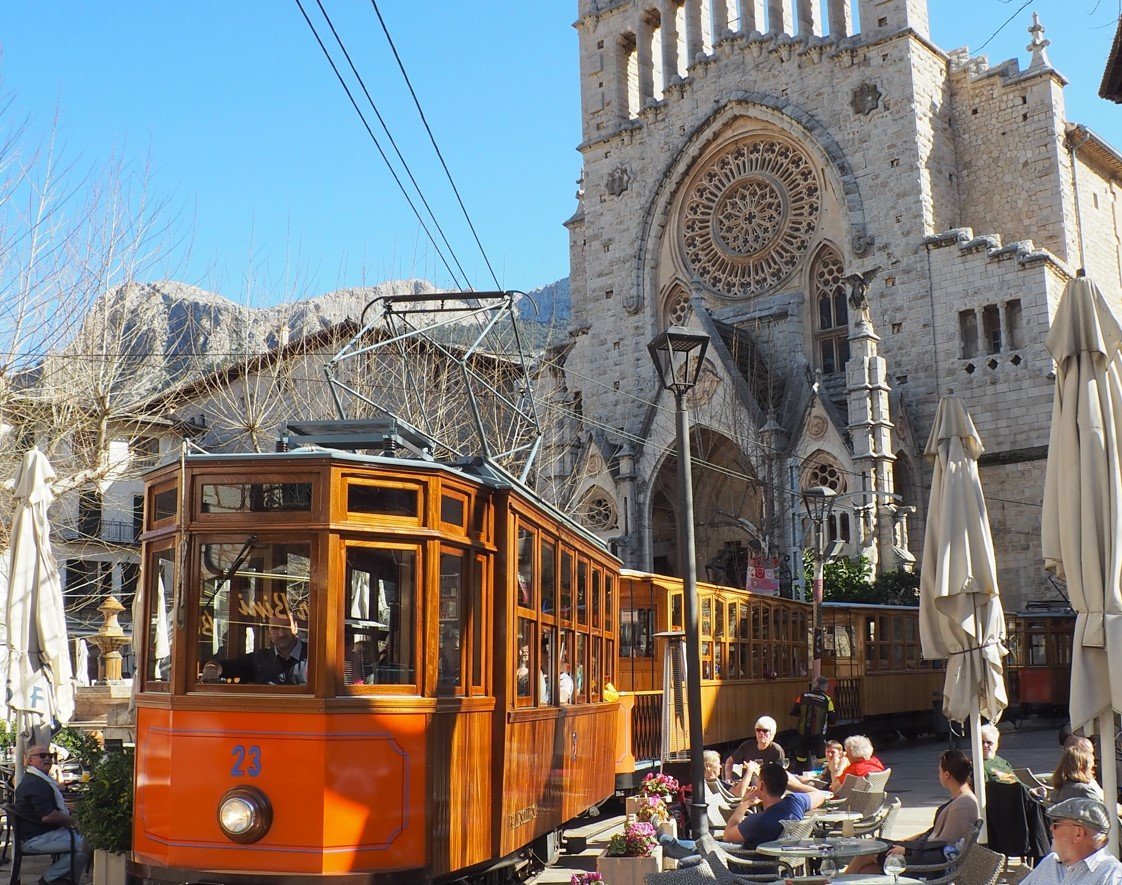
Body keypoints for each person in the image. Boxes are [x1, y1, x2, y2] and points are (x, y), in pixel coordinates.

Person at [846, 749, 979, 874]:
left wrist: (907, 850)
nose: (938, 774)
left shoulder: (963, 804)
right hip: (924, 852)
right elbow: (935, 834)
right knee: (867, 867)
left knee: (871, 850)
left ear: (946, 774)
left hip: (929, 861)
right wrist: (905, 842)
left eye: (939, 770)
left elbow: (944, 843)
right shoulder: (961, 799)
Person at [12, 744, 90, 885]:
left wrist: (66, 810)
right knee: (86, 844)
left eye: (50, 756)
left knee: (83, 841)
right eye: (42, 755)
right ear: (30, 761)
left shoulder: (37, 779)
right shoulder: (36, 783)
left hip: (41, 834)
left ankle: (65, 880)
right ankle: (48, 880)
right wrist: (73, 820)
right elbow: (47, 816)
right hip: (34, 839)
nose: (47, 758)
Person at [722, 762, 831, 849]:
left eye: (758, 781)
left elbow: (727, 836)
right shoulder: (796, 802)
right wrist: (791, 785)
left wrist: (743, 804)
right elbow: (819, 794)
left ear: (762, 786)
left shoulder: (757, 821)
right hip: (786, 864)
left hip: (754, 870)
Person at [1021, 798, 1122, 884]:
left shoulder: (1112, 875)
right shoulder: (1050, 861)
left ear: (1078, 833)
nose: (1051, 828)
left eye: (1056, 824)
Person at [202, 612, 308, 685]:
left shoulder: (314, 656)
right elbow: (230, 667)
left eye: (286, 627)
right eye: (275, 628)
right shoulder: (260, 659)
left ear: (296, 627)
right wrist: (212, 667)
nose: (281, 634)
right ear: (268, 633)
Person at [724, 715, 786, 794]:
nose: (761, 733)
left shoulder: (776, 750)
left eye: (765, 731)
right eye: (758, 730)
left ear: (772, 733)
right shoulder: (747, 745)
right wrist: (728, 778)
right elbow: (729, 761)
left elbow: (779, 775)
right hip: (746, 787)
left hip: (766, 789)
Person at [789, 676, 836, 773]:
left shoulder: (802, 696)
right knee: (822, 760)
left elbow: (793, 712)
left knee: (800, 759)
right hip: (819, 736)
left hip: (803, 734)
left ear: (814, 685)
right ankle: (822, 779)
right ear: (825, 687)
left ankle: (799, 778)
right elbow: (832, 720)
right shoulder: (827, 700)